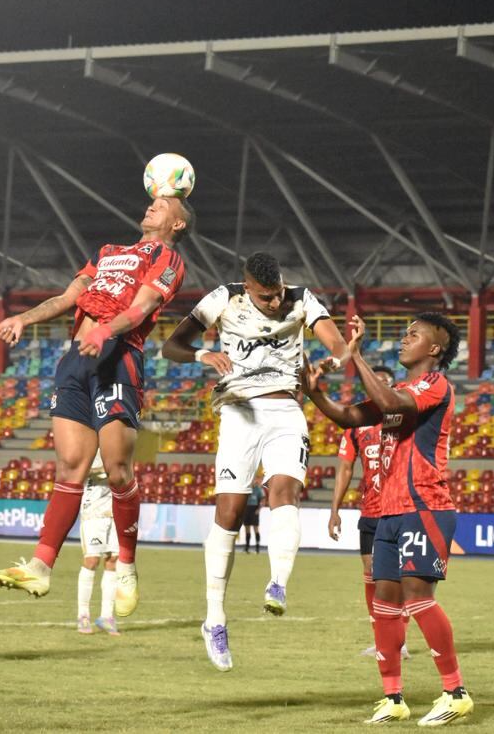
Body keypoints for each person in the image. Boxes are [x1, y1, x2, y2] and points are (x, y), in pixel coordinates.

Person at [0, 193, 193, 618]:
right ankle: (41, 566)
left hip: (118, 359)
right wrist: (23, 318)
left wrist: (105, 333)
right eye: (151, 199)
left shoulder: (168, 259)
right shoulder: (108, 253)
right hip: (75, 362)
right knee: (71, 467)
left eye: (165, 203)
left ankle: (128, 563)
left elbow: (142, 308)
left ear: (178, 224)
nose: (153, 204)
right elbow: (68, 297)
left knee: (117, 470)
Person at [160, 251, 350, 672]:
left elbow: (336, 342)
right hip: (238, 412)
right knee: (228, 511)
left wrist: (332, 360)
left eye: (277, 293)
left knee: (285, 490)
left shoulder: (301, 299)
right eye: (265, 296)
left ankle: (278, 583)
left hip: (285, 409)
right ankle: (214, 619)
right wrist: (202, 356)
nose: (273, 302)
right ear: (248, 289)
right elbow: (170, 346)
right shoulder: (224, 298)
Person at [304, 314, 473, 726]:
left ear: (433, 349)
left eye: (413, 335)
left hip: (425, 506)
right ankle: (393, 697)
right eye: (404, 333)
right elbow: (348, 418)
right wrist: (315, 394)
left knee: (418, 599)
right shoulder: (394, 390)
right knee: (384, 605)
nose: (404, 340)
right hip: (389, 512)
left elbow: (393, 406)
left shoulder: (434, 385)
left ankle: (456, 692)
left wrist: (356, 355)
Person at [328, 364, 410, 657]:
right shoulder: (357, 423)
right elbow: (346, 467)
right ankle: (380, 639)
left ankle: (399, 642)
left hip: (401, 508)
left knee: (400, 576)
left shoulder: (403, 417)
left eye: (385, 383)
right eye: (374, 382)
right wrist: (334, 509)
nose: (380, 387)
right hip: (371, 510)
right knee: (371, 572)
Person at [76, 452, 120, 636]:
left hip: (116, 510)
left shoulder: (119, 441)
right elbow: (77, 470)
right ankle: (83, 615)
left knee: (113, 561)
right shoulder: (90, 444)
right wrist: (103, 470)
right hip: (93, 511)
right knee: (92, 560)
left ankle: (106, 617)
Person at [242, 474, 264, 554]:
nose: (254, 481)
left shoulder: (258, 490)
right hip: (247, 509)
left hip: (254, 510)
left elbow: (262, 501)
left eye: (255, 480)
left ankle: (257, 548)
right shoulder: (246, 489)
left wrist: (258, 509)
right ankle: (247, 548)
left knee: (256, 529)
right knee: (247, 529)